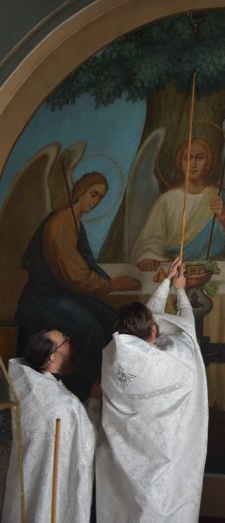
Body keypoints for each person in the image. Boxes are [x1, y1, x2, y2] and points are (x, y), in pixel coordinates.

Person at [96, 257, 208, 523]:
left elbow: (143, 322)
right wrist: (179, 289)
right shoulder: (175, 358)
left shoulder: (112, 358)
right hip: (166, 459)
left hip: (126, 461)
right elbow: (188, 330)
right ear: (154, 329)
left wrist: (167, 281)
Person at [14, 172, 141, 399]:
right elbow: (75, 276)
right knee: (90, 328)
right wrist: (110, 285)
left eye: (100, 197)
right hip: (44, 299)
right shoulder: (61, 223)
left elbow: (87, 264)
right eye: (93, 194)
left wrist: (110, 283)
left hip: (64, 294)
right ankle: (87, 390)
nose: (96, 201)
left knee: (110, 318)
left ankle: (111, 384)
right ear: (80, 191)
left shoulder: (75, 222)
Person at [2, 329, 100, 523]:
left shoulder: (26, 384)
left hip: (25, 485)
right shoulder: (62, 404)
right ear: (53, 357)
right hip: (49, 491)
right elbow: (87, 444)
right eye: (65, 341)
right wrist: (95, 402)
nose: (70, 343)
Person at [131, 137, 225, 271]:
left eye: (200, 158)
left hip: (210, 270)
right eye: (187, 158)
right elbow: (151, 238)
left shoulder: (220, 197)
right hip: (171, 268)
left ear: (208, 162)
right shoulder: (166, 200)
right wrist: (148, 256)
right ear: (180, 163)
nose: (193, 164)